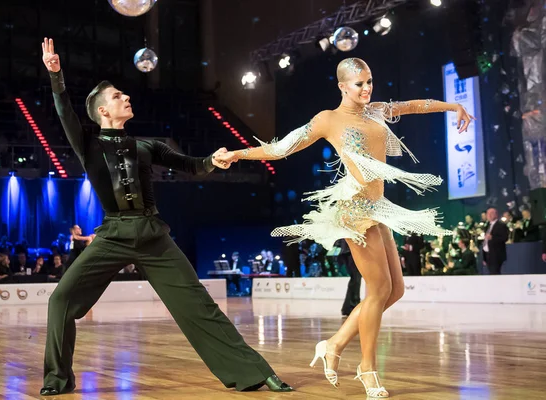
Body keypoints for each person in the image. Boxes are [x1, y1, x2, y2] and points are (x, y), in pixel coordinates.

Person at [39, 38, 291, 396]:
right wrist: (56, 76)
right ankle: (57, 380)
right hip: (112, 235)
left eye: (125, 95)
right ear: (102, 112)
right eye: (117, 97)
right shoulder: (88, 144)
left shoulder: (147, 146)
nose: (126, 98)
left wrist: (212, 161)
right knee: (60, 300)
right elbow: (64, 112)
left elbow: (190, 165)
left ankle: (255, 372)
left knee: (199, 307)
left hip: (153, 235)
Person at [217, 57, 473, 397]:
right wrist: (237, 154)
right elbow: (280, 149)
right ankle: (367, 369)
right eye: (359, 84)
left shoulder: (377, 110)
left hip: (378, 208)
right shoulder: (328, 120)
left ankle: (334, 344)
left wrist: (452, 105)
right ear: (342, 86)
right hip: (354, 209)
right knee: (378, 291)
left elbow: (414, 105)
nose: (366, 88)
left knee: (394, 291)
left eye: (369, 81)